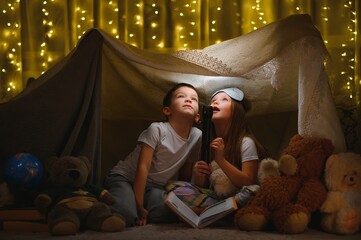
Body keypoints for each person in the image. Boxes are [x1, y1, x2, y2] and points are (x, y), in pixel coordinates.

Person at [103, 82, 202, 227]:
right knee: (128, 215)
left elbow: (185, 173)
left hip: (154, 186)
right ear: (167, 111)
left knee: (163, 210)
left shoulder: (197, 135)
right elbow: (142, 167)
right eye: (181, 96)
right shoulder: (157, 129)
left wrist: (181, 201)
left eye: (194, 99)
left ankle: (148, 206)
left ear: (198, 117)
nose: (188, 100)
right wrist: (139, 205)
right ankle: (103, 199)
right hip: (125, 177)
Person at [166, 87, 268, 212]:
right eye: (213, 100)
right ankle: (216, 211)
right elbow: (205, 187)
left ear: (237, 111)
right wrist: (199, 177)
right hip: (216, 198)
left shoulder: (245, 142)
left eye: (224, 99)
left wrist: (221, 160)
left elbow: (248, 181)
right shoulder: (206, 143)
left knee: (254, 191)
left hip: (239, 196)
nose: (215, 102)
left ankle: (209, 211)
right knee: (173, 186)